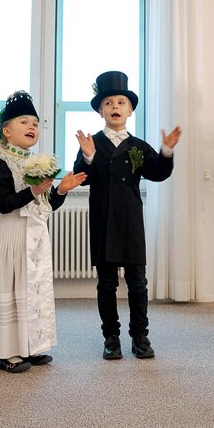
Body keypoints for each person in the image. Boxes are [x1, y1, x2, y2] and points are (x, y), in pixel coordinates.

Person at [0, 91, 86, 372]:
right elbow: (4, 203)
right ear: (6, 131)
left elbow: (45, 206)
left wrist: (60, 190)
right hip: (9, 237)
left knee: (32, 290)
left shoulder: (36, 164)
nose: (32, 126)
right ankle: (7, 353)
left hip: (34, 238)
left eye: (34, 122)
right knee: (11, 291)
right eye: (24, 122)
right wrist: (33, 190)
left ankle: (32, 346)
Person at [74, 71, 182, 360]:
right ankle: (111, 337)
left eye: (121, 102)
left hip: (132, 221)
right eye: (108, 102)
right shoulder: (92, 143)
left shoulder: (138, 146)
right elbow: (81, 177)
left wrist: (167, 150)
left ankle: (140, 336)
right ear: (101, 110)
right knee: (106, 283)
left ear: (130, 109)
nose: (115, 107)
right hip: (102, 220)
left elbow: (157, 173)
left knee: (138, 283)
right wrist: (87, 157)